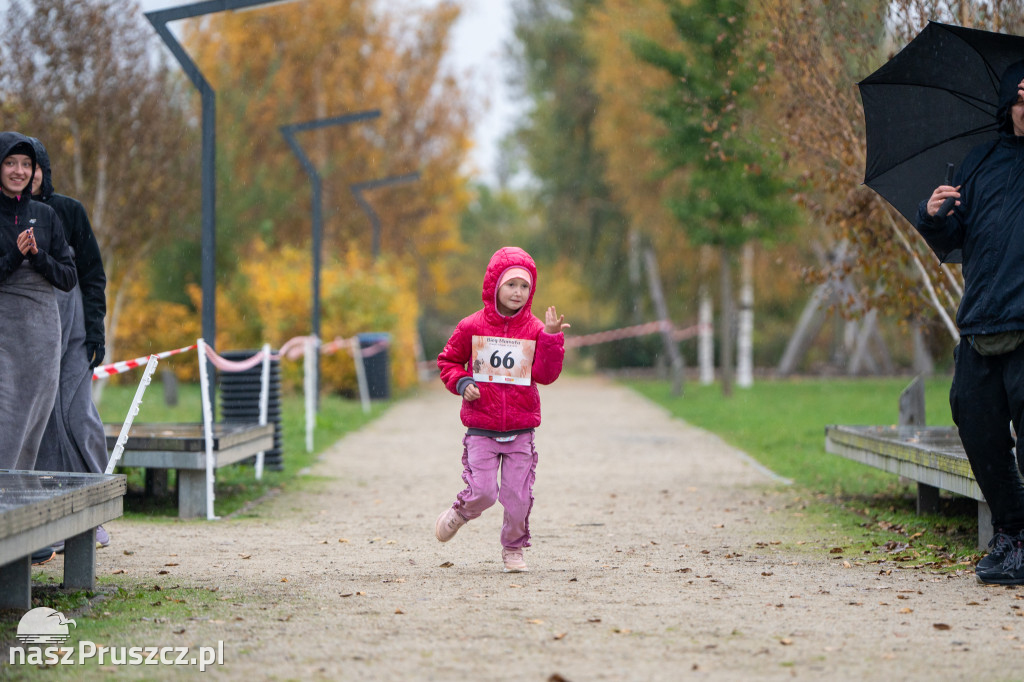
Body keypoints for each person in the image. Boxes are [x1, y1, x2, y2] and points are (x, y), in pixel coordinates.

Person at [915, 59, 1024, 585]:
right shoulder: (980, 163)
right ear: (1009, 103)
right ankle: (1011, 535)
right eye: (1023, 95)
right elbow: (953, 238)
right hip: (981, 321)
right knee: (976, 424)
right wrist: (934, 215)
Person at [434, 246, 569, 572]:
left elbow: (546, 376)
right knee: (483, 492)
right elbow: (448, 361)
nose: (518, 292)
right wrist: (463, 382)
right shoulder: (471, 326)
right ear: (494, 285)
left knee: (518, 497)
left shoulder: (536, 330)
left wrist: (551, 340)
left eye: (525, 286)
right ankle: (460, 512)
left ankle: (513, 549)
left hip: (520, 429)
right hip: (482, 426)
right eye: (511, 285)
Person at [0, 132, 77, 566]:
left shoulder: (47, 216)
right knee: (5, 417)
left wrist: (38, 257)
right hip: (4, 326)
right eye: (11, 163)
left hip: (43, 331)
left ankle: (22, 527)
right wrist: (15, 255)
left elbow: (68, 274)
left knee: (33, 424)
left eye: (25, 165)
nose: (19, 172)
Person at [30, 137, 111, 550]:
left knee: (78, 414)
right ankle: (43, 515)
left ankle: (95, 508)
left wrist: (95, 327)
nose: (27, 175)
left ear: (43, 170)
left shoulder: (68, 211)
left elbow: (92, 274)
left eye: (33, 167)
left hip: (74, 324)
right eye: (16, 166)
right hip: (29, 330)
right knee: (38, 422)